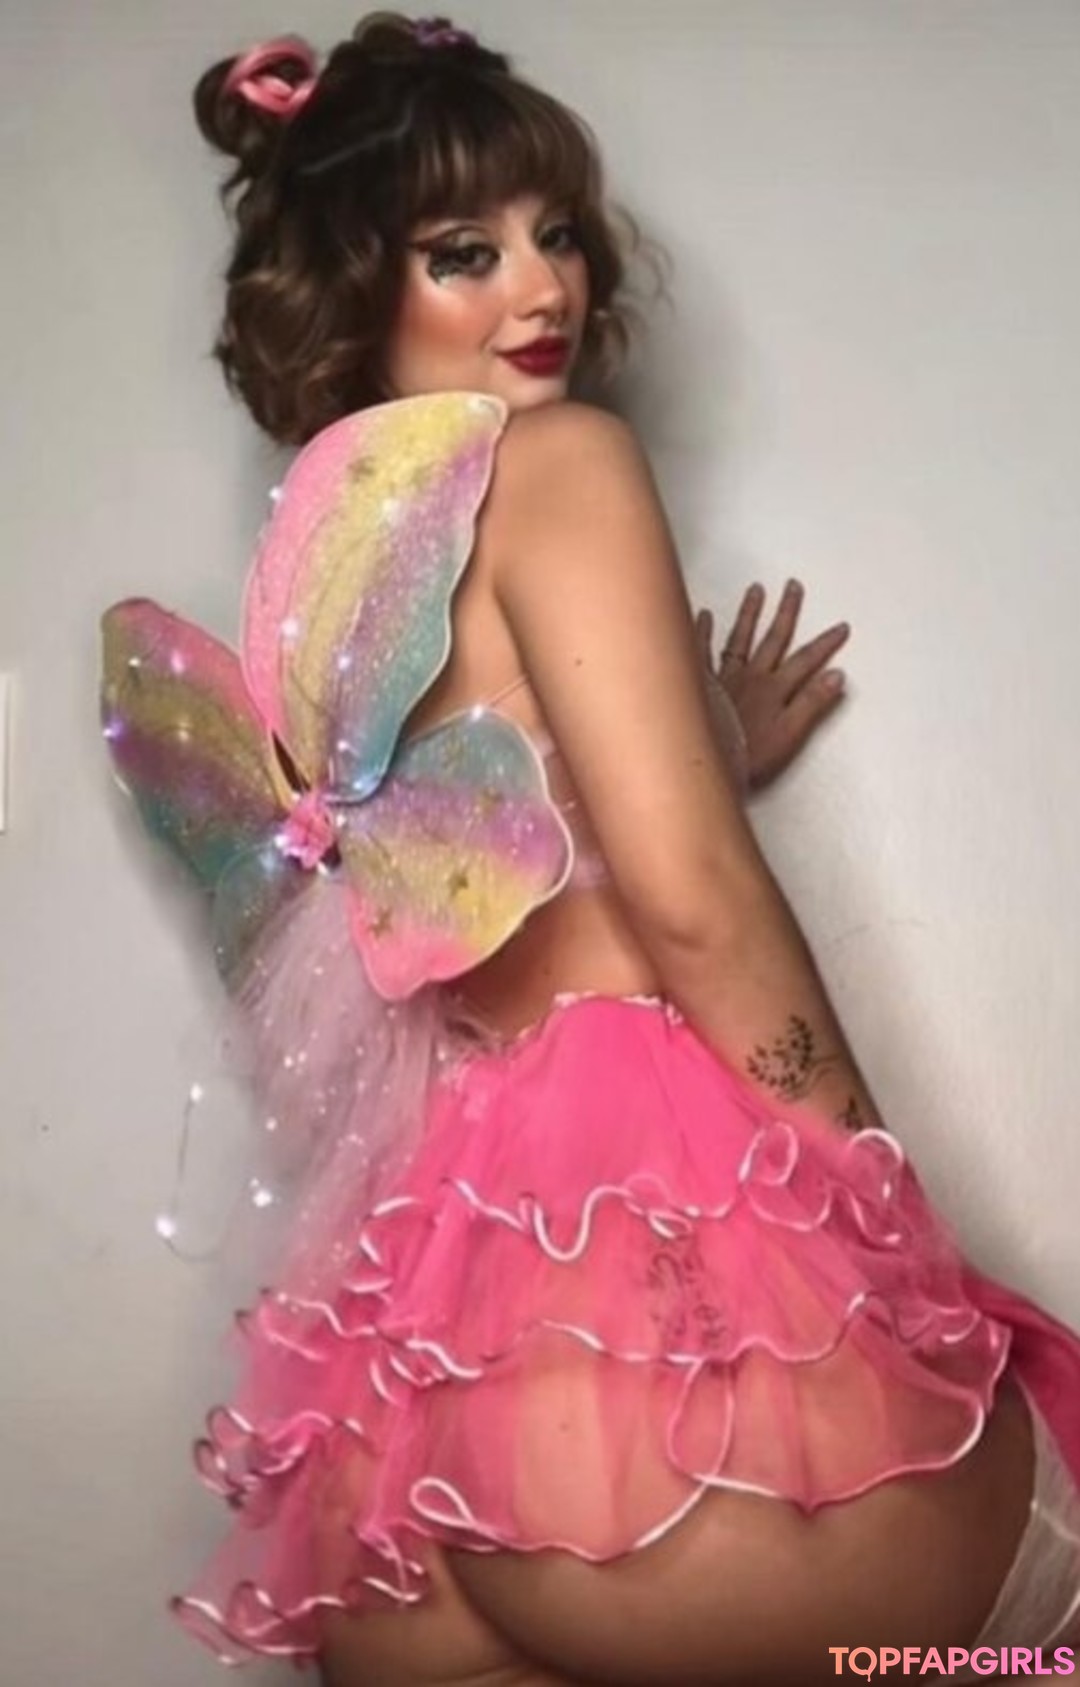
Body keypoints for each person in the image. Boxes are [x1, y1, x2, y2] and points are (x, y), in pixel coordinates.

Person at [101, 13, 1080, 1686]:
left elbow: (495, 867)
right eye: (464, 252)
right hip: (669, 1376)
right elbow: (687, 908)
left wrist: (702, 747)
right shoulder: (557, 461)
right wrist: (865, 1187)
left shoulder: (331, 558)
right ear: (359, 284)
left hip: (418, 1412)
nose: (541, 287)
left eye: (554, 231)